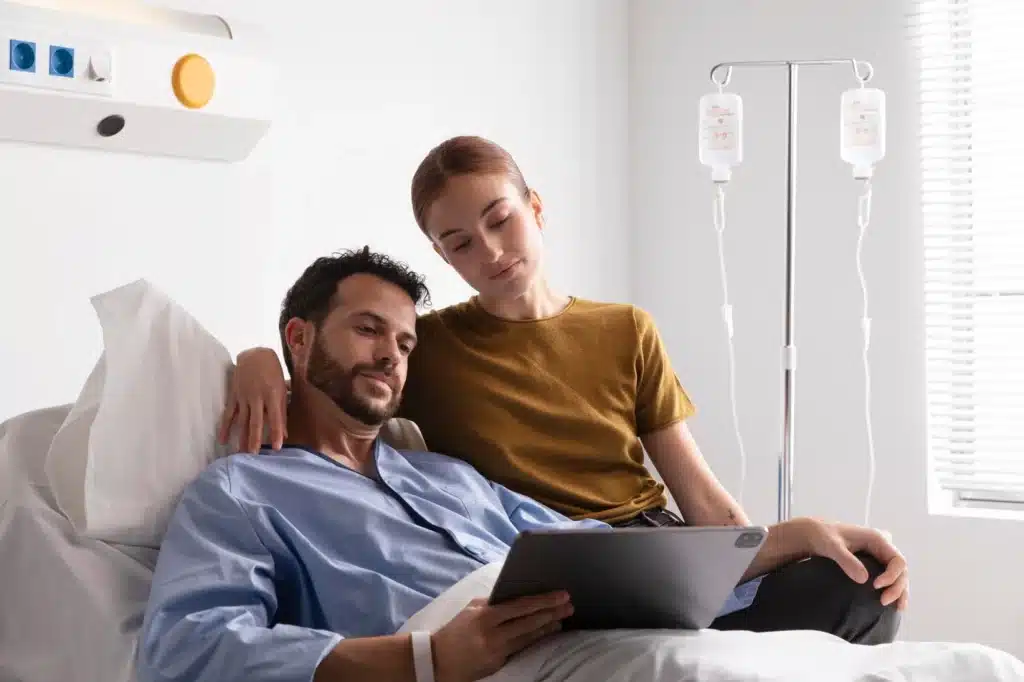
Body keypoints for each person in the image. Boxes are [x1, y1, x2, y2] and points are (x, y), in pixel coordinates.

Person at [219, 136, 909, 640]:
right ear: (440, 254)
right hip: (556, 571)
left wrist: (803, 537)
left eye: (499, 219)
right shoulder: (426, 348)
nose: (488, 252)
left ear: (535, 208)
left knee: (860, 582)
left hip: (657, 548)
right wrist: (255, 356)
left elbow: (703, 503)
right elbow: (336, 378)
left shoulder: (625, 329)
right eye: (458, 243)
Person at [139, 250, 911, 682]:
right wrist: (423, 659)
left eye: (405, 344)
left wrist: (798, 534)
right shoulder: (241, 490)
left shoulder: (443, 475)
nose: (390, 356)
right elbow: (186, 648)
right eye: (367, 330)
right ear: (299, 341)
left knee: (853, 579)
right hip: (465, 657)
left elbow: (587, 547)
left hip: (581, 617)